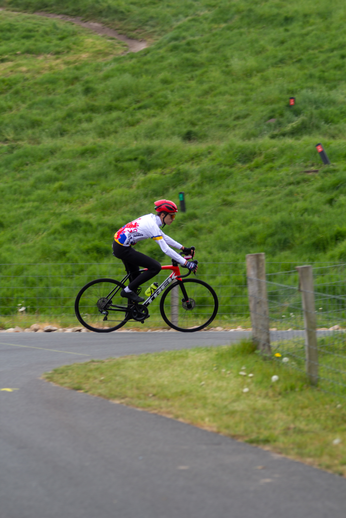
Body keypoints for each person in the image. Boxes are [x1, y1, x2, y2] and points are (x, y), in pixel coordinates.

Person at [112, 199, 198, 303]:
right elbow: (165, 249)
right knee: (155, 267)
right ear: (163, 215)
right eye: (172, 216)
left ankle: (131, 311)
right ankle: (127, 290)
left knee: (136, 278)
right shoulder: (152, 225)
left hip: (121, 246)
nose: (173, 219)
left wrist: (184, 249)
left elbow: (164, 237)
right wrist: (186, 263)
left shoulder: (152, 219)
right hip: (122, 248)